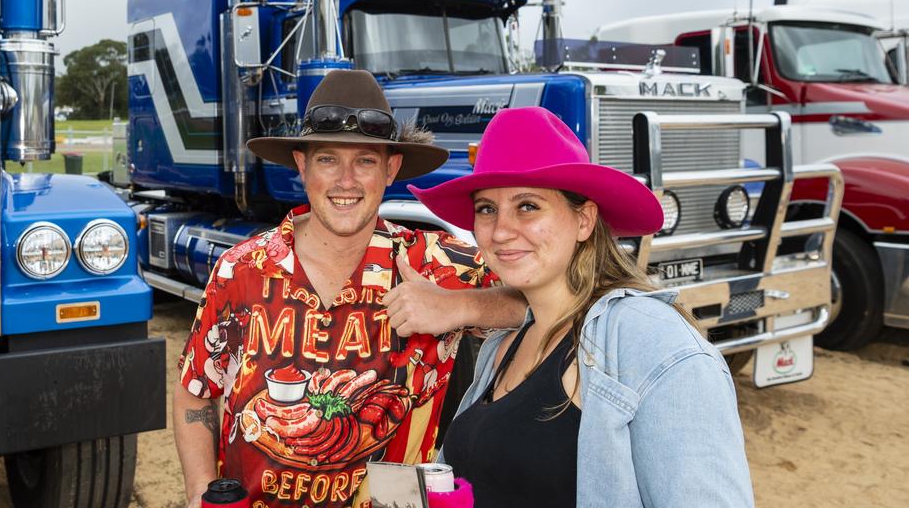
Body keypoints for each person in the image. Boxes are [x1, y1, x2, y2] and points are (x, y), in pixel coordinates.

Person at [173, 69, 526, 508]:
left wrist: (461, 307)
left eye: (365, 160)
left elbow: (546, 305)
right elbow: (195, 388)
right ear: (302, 165)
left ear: (391, 168)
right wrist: (198, 491)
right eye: (327, 159)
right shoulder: (242, 270)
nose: (346, 180)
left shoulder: (435, 264)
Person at [410, 106, 754, 507]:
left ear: (585, 220)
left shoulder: (652, 344)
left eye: (527, 206)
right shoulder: (505, 344)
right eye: (487, 208)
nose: (501, 230)